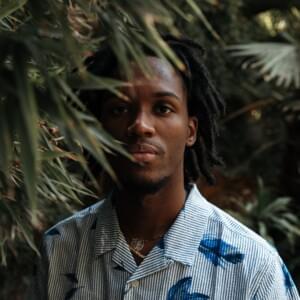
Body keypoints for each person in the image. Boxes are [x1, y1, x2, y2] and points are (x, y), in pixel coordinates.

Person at [31, 35, 300, 299]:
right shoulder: (59, 250)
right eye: (118, 109)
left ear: (190, 130)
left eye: (162, 108)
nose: (140, 125)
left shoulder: (254, 269)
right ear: (98, 128)